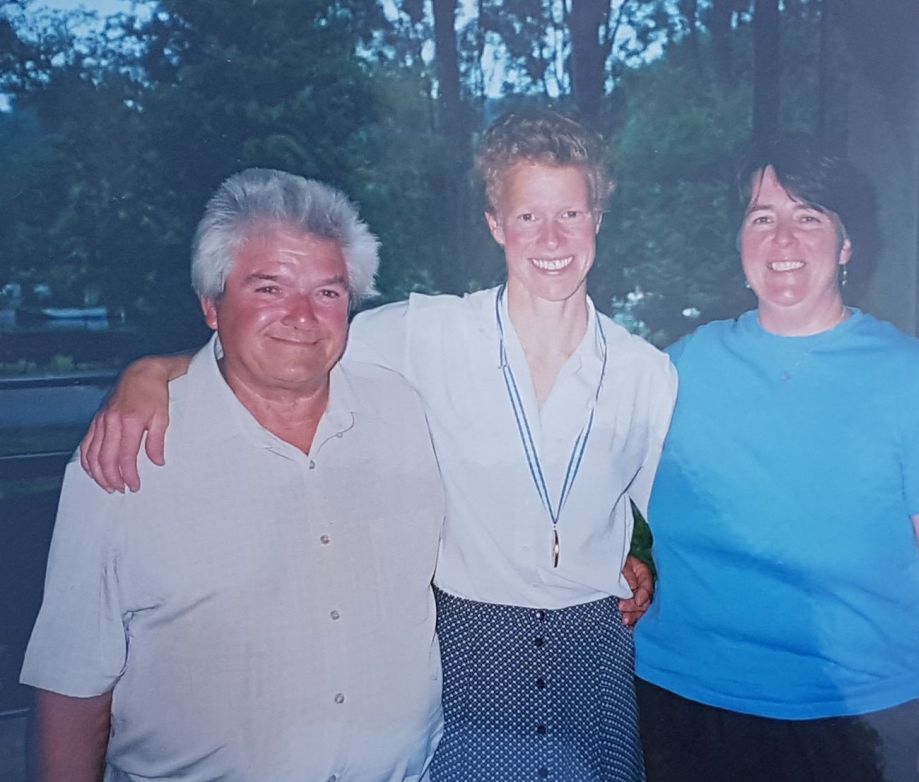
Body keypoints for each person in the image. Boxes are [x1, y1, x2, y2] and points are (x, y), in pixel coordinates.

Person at [77, 110, 677, 781]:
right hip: (469, 662)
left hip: (593, 662)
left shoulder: (647, 373)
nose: (551, 237)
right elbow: (288, 345)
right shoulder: (424, 334)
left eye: (570, 213)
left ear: (599, 217)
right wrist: (152, 371)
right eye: (528, 215)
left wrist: (637, 555)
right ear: (493, 224)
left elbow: (645, 516)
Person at [21, 168, 447, 781]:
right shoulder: (128, 452)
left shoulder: (404, 410)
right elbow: (71, 680)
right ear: (211, 305)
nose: (302, 317)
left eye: (328, 293)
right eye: (269, 289)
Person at [634, 137, 919, 782]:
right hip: (677, 709)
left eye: (809, 217)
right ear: (740, 241)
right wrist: (626, 554)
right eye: (762, 217)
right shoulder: (679, 367)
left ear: (848, 244)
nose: (783, 240)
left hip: (854, 728)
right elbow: (604, 494)